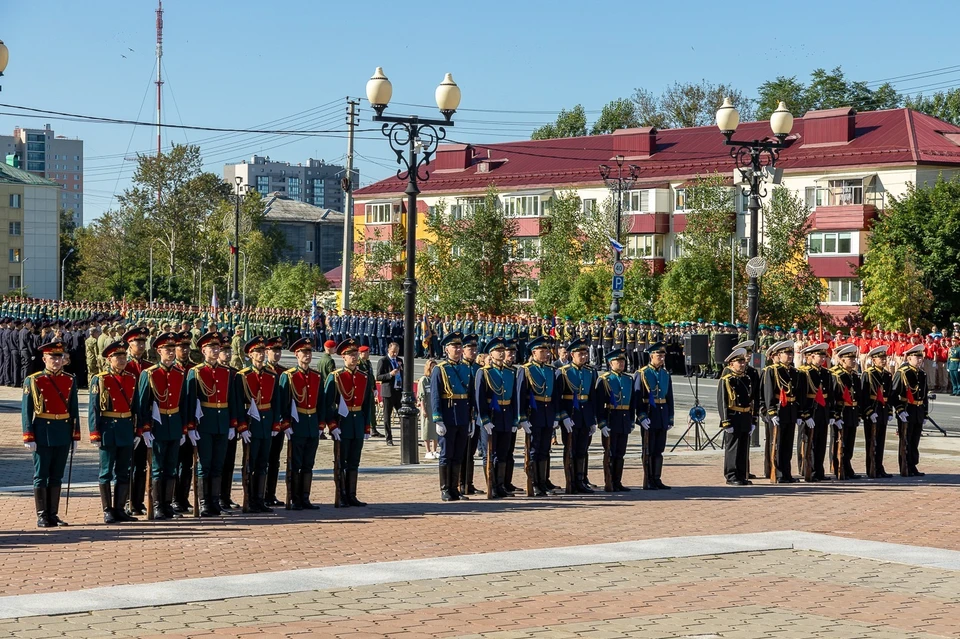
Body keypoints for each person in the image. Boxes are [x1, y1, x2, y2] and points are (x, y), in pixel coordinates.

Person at [22, 340, 80, 528]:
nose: (56, 361)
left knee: (56, 475)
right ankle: (42, 514)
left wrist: (75, 435)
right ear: (44, 358)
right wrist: (28, 436)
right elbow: (26, 411)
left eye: (59, 357)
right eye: (52, 357)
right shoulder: (34, 380)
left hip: (62, 431)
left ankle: (53, 514)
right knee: (41, 474)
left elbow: (74, 409)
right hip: (42, 431)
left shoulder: (70, 380)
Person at [185, 332, 238, 517]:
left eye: (218, 348)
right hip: (204, 423)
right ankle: (203, 502)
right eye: (212, 348)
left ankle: (215, 502)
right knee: (204, 464)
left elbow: (232, 400)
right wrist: (190, 426)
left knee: (218, 464)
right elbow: (190, 401)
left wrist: (232, 423)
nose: (216, 351)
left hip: (222, 422)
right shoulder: (196, 372)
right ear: (203, 350)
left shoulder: (226, 372)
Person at [135, 332, 187, 520]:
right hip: (156, 427)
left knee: (171, 467)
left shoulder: (180, 373)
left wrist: (183, 428)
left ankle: (167, 504)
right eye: (167, 350)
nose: (171, 353)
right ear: (159, 351)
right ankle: (157, 505)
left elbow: (183, 403)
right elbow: (142, 404)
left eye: (173, 349)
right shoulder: (149, 374)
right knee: (157, 468)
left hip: (173, 424)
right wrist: (145, 428)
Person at [89, 340, 140, 523]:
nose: (122, 360)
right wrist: (94, 432)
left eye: (124, 356)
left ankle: (119, 508)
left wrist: (138, 431)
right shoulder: (101, 379)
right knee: (106, 472)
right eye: (117, 357)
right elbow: (94, 408)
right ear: (109, 359)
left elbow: (136, 407)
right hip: (108, 428)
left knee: (123, 471)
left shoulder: (131, 378)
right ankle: (107, 510)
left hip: (126, 427)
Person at [321, 338, 374, 507]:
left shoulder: (363, 377)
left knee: (354, 461)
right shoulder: (335, 377)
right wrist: (332, 425)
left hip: (357, 422)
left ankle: (352, 494)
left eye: (355, 354)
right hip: (342, 423)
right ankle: (341, 494)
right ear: (343, 357)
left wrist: (367, 426)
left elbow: (367, 404)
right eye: (350, 355)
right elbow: (327, 403)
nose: (354, 357)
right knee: (341, 461)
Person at [235, 335, 280, 513]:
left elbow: (275, 402)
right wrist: (242, 426)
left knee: (263, 463)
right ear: (250, 355)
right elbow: (239, 403)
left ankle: (259, 499)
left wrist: (276, 423)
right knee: (250, 462)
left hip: (266, 422)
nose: (261, 355)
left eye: (263, 351)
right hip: (251, 424)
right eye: (257, 352)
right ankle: (249, 498)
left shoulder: (271, 375)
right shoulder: (243, 376)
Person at [277, 337, 323, 510]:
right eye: (304, 352)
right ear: (297, 354)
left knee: (308, 464)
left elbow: (321, 402)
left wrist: (321, 424)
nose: (307, 355)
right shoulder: (288, 376)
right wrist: (286, 423)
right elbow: (283, 403)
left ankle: (305, 497)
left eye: (309, 352)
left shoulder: (316, 376)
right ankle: (294, 498)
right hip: (297, 425)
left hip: (312, 424)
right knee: (295, 464)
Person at [430, 332, 476, 501]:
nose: (458, 350)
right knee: (446, 453)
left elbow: (470, 395)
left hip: (463, 415)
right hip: (448, 415)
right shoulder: (440, 369)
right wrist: (438, 419)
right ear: (446, 349)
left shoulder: (466, 368)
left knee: (459, 454)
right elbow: (435, 395)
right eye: (454, 347)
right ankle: (445, 489)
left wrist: (471, 418)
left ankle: (455, 488)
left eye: (459, 347)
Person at [476, 338, 518, 498]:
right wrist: (484, 419)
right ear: (491, 354)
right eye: (498, 350)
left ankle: (500, 485)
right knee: (489, 453)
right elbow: (480, 399)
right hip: (491, 417)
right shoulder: (484, 372)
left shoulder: (510, 372)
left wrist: (515, 419)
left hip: (506, 415)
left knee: (503, 452)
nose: (501, 352)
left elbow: (514, 398)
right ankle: (491, 485)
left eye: (503, 350)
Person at [517, 336, 559, 497]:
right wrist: (522, 417)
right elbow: (521, 394)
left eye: (547, 350)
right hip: (533, 414)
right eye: (542, 351)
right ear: (534, 352)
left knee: (545, 449)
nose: (546, 354)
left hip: (547, 413)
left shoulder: (550, 369)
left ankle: (543, 481)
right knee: (533, 450)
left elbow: (554, 395)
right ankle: (534, 483)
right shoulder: (526, 369)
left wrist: (556, 415)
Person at [555, 338, 597, 494]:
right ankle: (570, 481)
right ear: (572, 354)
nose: (584, 356)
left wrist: (593, 419)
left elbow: (592, 397)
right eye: (580, 354)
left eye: (585, 353)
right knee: (570, 450)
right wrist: (563, 417)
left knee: (582, 450)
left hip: (585, 416)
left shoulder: (590, 372)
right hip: (571, 416)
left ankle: (580, 480)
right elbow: (557, 398)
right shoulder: (563, 372)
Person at [635, 342, 674, 490]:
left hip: (662, 414)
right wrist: (641, 416)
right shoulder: (642, 373)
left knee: (659, 450)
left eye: (663, 355)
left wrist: (670, 417)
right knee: (648, 449)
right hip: (650, 413)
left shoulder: (665, 374)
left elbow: (669, 397)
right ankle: (648, 478)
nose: (662, 358)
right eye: (659, 355)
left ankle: (657, 478)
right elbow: (637, 398)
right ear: (651, 356)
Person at [123, 326, 152, 517]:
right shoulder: (125, 367)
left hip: (147, 421)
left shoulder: (149, 366)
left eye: (143, 342)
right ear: (129, 345)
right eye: (137, 342)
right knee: (127, 465)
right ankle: (126, 501)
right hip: (129, 421)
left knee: (142, 464)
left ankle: (139, 501)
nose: (140, 346)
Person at [761, 340, 800, 484]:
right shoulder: (772, 371)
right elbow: (768, 393)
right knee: (776, 444)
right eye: (786, 353)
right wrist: (771, 411)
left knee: (787, 444)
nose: (789, 356)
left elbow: (797, 393)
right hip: (779, 410)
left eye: (791, 353)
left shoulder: (794, 372)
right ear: (778, 354)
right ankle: (777, 472)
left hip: (790, 410)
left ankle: (787, 472)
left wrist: (799, 413)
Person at [596, 348, 634, 491]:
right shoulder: (605, 379)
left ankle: (618, 481)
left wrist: (631, 420)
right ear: (611, 363)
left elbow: (632, 403)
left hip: (624, 419)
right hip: (611, 418)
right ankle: (609, 481)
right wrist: (602, 423)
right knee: (610, 453)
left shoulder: (628, 379)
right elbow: (600, 404)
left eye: (623, 360)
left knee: (620, 453)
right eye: (618, 361)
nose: (621, 363)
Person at [718, 347, 754, 486]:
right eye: (739, 362)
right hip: (733, 416)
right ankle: (731, 475)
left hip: (745, 415)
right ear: (731, 364)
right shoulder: (727, 380)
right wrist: (725, 421)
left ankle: (741, 473)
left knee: (743, 447)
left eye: (743, 362)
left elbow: (750, 399)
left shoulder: (746, 378)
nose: (742, 364)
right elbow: (722, 402)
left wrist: (752, 419)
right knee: (733, 447)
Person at [892, 343, 928, 477]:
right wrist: (900, 410)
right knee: (905, 440)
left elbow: (924, 395)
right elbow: (894, 394)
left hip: (918, 410)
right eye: (916, 357)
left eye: (920, 357)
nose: (919, 360)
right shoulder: (903, 373)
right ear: (909, 359)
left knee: (914, 441)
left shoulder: (922, 374)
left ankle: (913, 465)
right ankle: (904, 466)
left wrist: (925, 413)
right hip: (907, 410)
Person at [796, 343, 831, 482]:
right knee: (808, 442)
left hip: (822, 411)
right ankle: (807, 469)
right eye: (819, 356)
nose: (822, 359)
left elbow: (830, 395)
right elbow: (801, 395)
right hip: (810, 410)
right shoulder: (804, 373)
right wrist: (804, 414)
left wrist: (831, 413)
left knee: (821, 442)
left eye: (824, 356)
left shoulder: (825, 373)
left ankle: (819, 470)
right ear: (811, 356)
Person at [861, 346, 893, 479]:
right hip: (873, 409)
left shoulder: (887, 375)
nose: (883, 360)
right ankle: (871, 467)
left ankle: (879, 466)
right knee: (871, 441)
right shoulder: (868, 374)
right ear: (873, 360)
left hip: (883, 409)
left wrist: (890, 411)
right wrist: (868, 412)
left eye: (884, 358)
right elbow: (863, 396)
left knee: (881, 441)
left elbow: (889, 395)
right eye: (880, 358)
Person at [172, 331, 196, 513]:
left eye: (187, 346)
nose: (185, 350)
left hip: (192, 423)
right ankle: (173, 498)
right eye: (181, 347)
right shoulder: (172, 370)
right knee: (173, 463)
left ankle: (183, 497)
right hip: (174, 422)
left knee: (187, 464)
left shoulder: (194, 370)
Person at [830, 344, 861, 480]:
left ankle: (847, 466)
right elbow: (833, 397)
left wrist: (858, 414)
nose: (853, 361)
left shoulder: (854, 376)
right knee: (839, 442)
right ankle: (838, 467)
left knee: (850, 442)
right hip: (842, 412)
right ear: (842, 360)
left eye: (854, 358)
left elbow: (858, 396)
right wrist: (835, 415)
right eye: (850, 359)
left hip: (852, 412)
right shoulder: (836, 375)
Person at [263, 336, 288, 506]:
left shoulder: (284, 373)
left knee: (274, 460)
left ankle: (270, 494)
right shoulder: (263, 371)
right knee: (260, 460)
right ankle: (258, 494)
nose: (277, 354)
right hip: (263, 422)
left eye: (279, 350)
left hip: (278, 424)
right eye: (274, 350)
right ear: (266, 352)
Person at [375, 341, 404, 446]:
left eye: (397, 352)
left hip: (399, 391)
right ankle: (389, 438)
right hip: (388, 392)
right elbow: (378, 377)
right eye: (393, 352)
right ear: (388, 350)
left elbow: (403, 374)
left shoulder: (399, 360)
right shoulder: (383, 361)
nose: (395, 354)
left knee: (402, 415)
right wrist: (389, 374)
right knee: (387, 417)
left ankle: (405, 437)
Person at [417, 359, 438, 459]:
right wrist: (423, 409)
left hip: (434, 407)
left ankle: (434, 450)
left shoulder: (436, 379)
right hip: (427, 406)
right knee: (426, 429)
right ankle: (428, 451)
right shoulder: (423, 380)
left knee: (435, 429)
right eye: (431, 366)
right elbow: (421, 396)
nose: (433, 368)